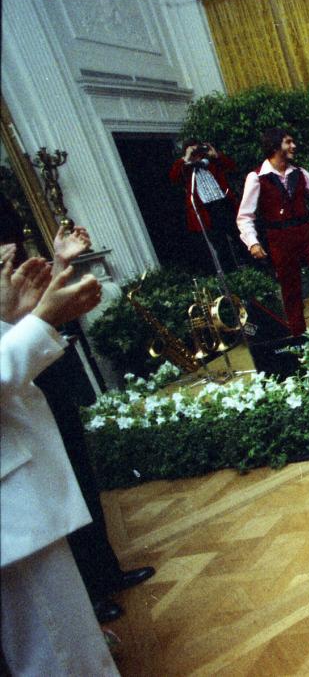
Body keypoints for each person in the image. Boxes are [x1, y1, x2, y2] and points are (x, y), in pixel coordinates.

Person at [1, 241, 118, 675]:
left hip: (21, 503)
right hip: (11, 516)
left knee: (73, 648)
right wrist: (39, 322)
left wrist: (11, 319)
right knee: (60, 658)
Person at [30, 228, 156, 625]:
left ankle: (107, 572)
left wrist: (60, 261)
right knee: (58, 494)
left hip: (48, 386)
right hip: (23, 398)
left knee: (82, 481)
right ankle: (92, 593)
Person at [237, 128, 309, 336]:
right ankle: (298, 338)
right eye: (288, 142)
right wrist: (253, 242)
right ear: (275, 146)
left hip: (306, 233)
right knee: (291, 290)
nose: (294, 146)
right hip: (280, 239)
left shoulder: (299, 173)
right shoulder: (257, 178)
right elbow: (245, 216)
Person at [168, 139, 242, 270]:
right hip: (206, 210)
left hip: (223, 203)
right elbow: (174, 178)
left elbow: (231, 166)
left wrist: (216, 155)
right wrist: (186, 158)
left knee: (240, 236)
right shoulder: (186, 168)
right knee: (221, 245)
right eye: (193, 150)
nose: (197, 153)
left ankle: (255, 267)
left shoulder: (211, 162)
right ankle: (232, 274)